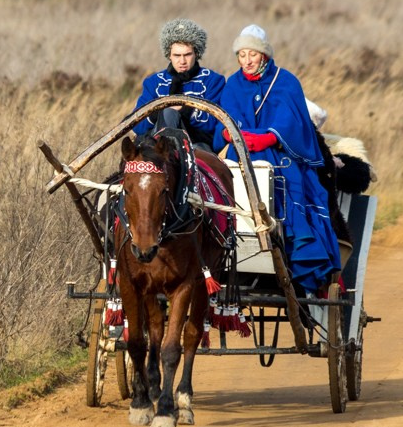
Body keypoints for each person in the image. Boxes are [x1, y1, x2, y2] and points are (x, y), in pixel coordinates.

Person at [214, 24, 341, 295]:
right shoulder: (232, 84)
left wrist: (268, 138)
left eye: (253, 54)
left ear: (265, 55)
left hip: (282, 154)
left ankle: (299, 254)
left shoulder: (286, 81)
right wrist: (232, 133)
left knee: (292, 183)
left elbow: (291, 121)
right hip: (242, 153)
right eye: (242, 55)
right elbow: (225, 119)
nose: (247, 61)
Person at [131, 18, 225, 150]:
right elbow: (137, 126)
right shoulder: (153, 82)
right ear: (168, 55)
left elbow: (214, 123)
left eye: (187, 55)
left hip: (197, 145)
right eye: (176, 55)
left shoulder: (213, 81)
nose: (182, 61)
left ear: (197, 53)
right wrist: (158, 112)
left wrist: (184, 110)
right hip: (156, 148)